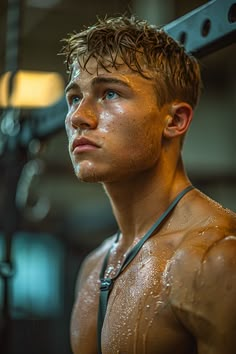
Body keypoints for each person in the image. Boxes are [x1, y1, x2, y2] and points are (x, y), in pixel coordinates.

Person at [61, 15, 236, 354]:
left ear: (175, 120)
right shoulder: (93, 267)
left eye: (110, 93)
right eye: (74, 97)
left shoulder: (217, 259)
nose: (78, 116)